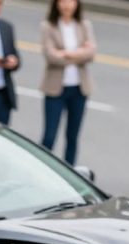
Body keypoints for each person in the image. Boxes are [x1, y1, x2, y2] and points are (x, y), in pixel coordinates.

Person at [40, 0, 96, 165]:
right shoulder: (48, 26)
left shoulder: (84, 25)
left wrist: (64, 54)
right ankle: (43, 171)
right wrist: (79, 53)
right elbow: (51, 56)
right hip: (55, 89)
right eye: (63, 1)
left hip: (79, 89)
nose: (67, 5)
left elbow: (91, 54)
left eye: (71, 1)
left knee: (72, 137)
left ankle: (70, 175)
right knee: (49, 137)